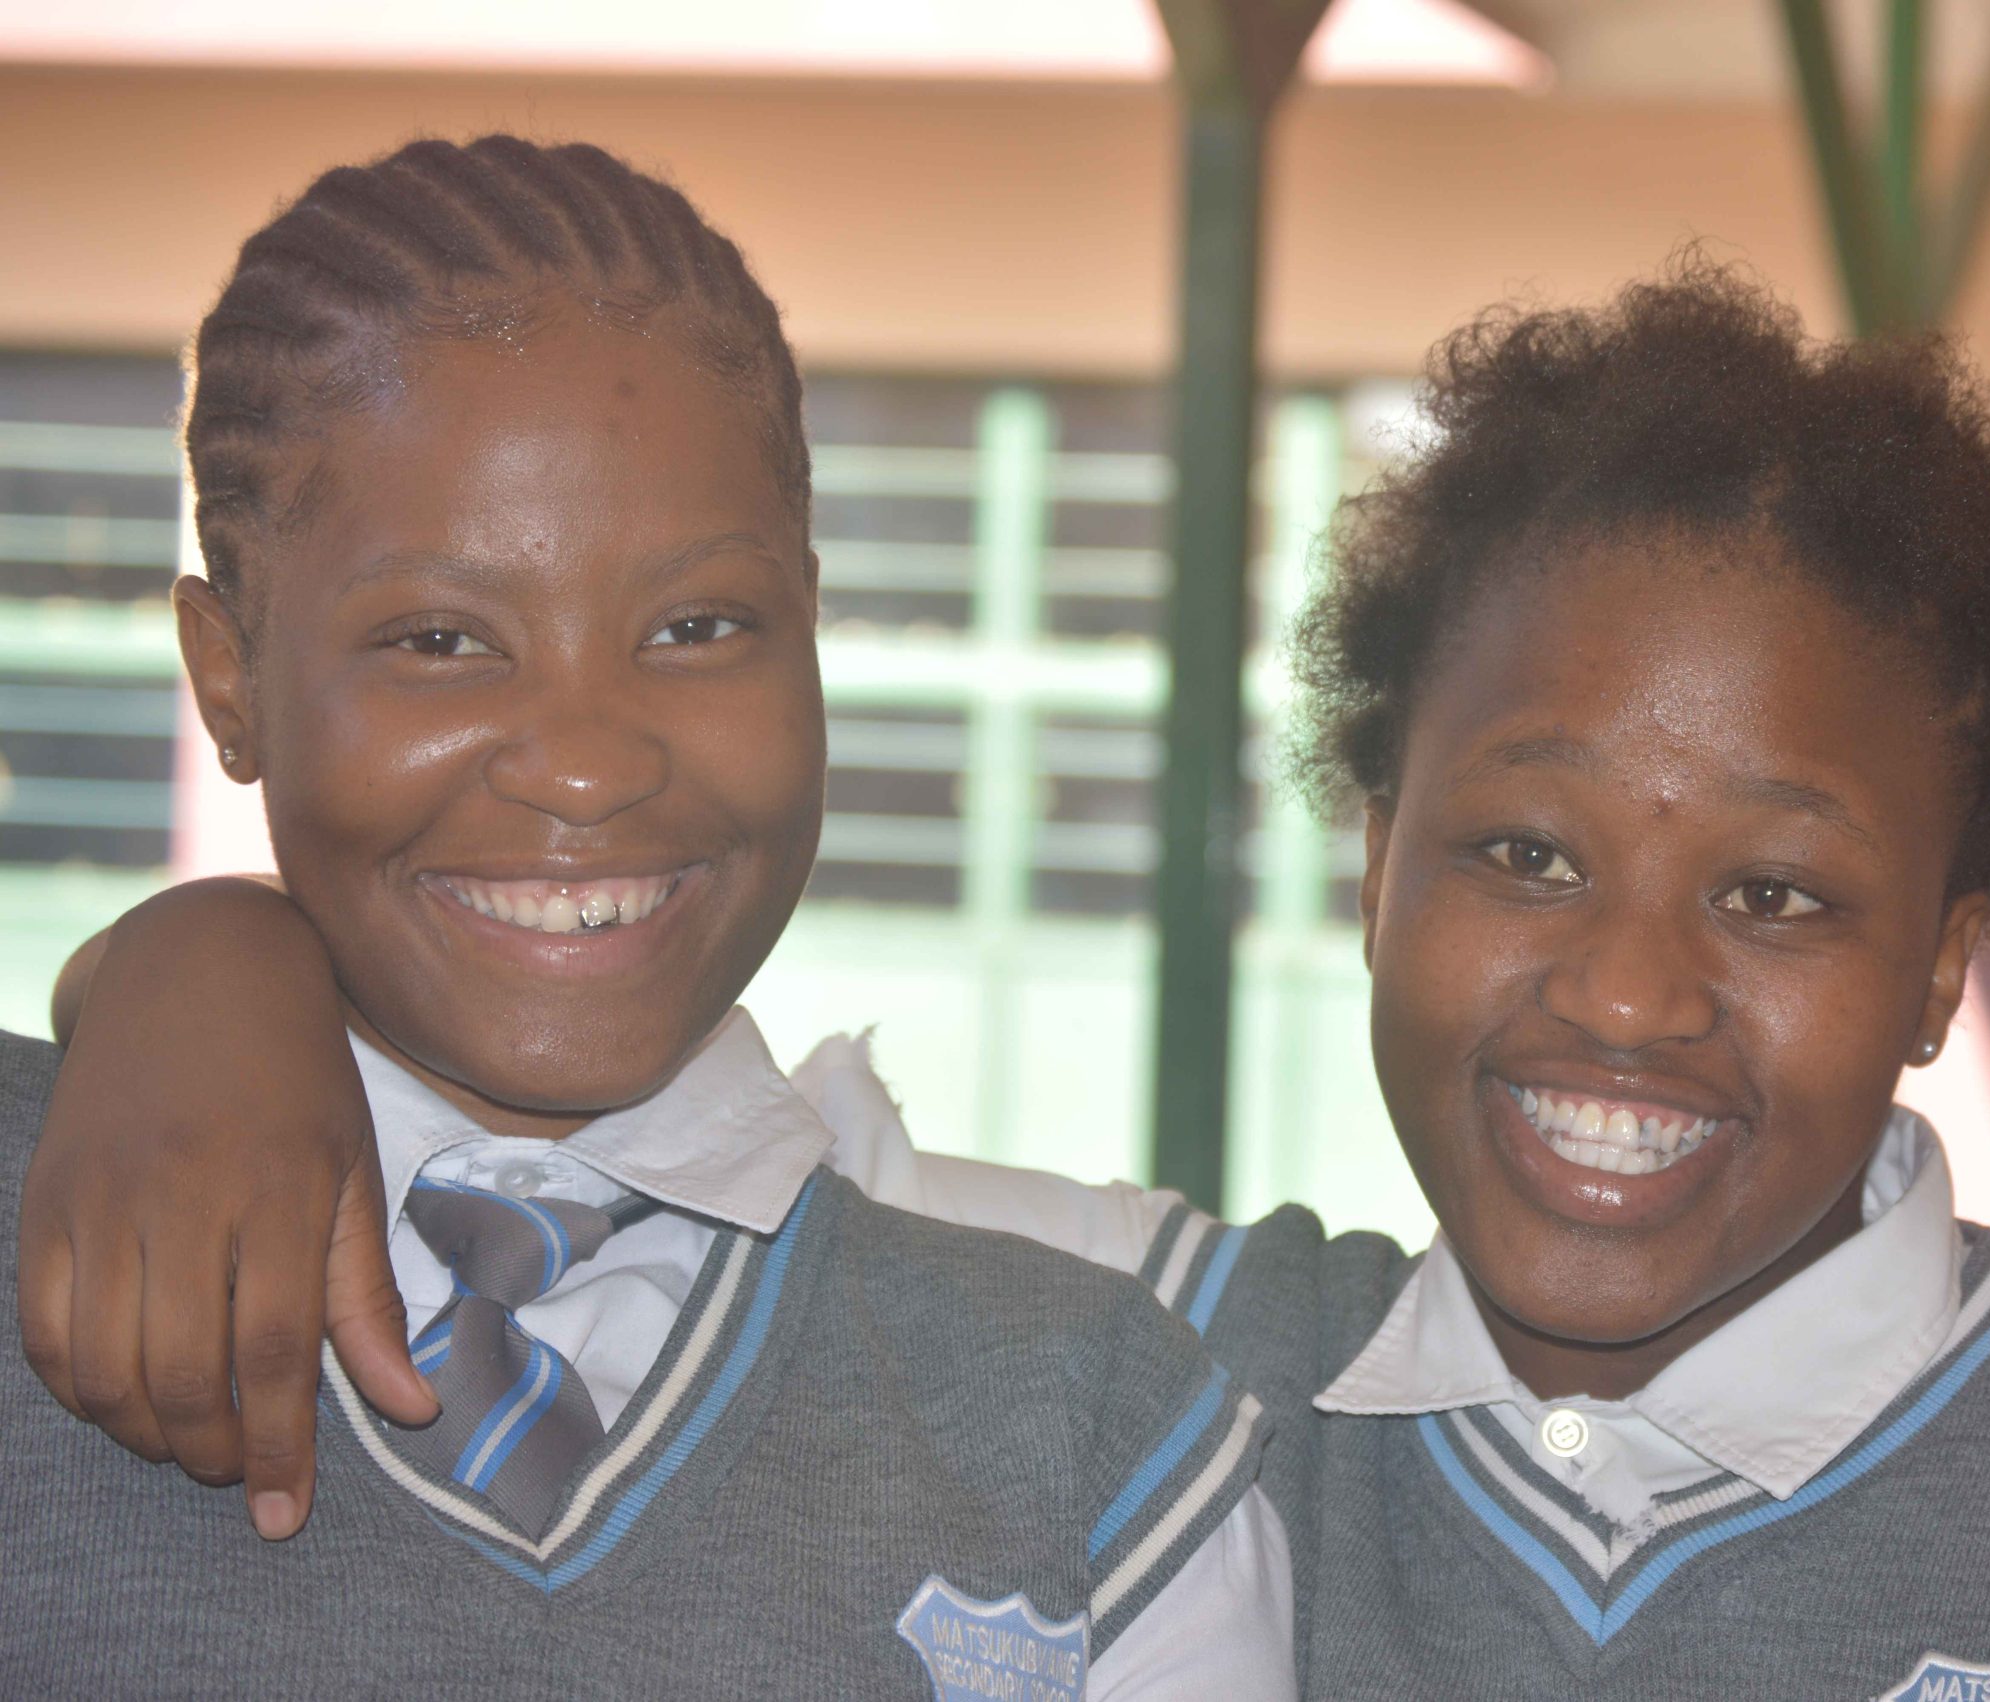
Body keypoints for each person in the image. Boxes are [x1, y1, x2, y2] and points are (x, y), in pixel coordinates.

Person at [24, 255, 1990, 1697]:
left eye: (1776, 896)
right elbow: (594, 1114)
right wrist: (201, 955)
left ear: (1945, 953)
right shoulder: (1141, 1366)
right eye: (1520, 851)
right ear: (1368, 860)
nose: (1627, 993)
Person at [0, 136, 1290, 1698]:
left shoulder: (1091, 1438)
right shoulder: (64, 1192)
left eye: (697, 623)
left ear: (811, 618)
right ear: (229, 682)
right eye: (440, 639)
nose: (588, 761)